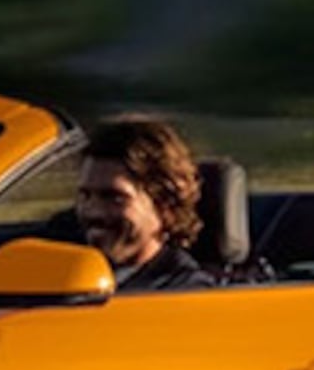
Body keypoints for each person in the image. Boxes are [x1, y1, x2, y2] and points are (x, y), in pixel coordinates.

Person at [70, 114, 219, 291]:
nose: (94, 211)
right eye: (86, 195)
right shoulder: (68, 262)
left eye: (115, 198)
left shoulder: (183, 293)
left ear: (165, 205)